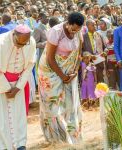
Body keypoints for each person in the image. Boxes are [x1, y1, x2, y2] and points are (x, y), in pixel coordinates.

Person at [0, 24, 36, 149]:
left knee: (18, 117)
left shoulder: (30, 42)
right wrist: (6, 89)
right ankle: (1, 146)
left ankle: (20, 145)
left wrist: (18, 87)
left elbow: (29, 65)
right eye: (19, 43)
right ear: (13, 35)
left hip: (17, 85)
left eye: (25, 44)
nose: (21, 46)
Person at [38, 12, 84, 144]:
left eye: (77, 29)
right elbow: (50, 58)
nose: (74, 31)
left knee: (70, 104)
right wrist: (63, 76)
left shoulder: (79, 32)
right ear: (67, 22)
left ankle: (71, 134)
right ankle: (56, 138)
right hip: (50, 71)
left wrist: (75, 71)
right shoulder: (56, 31)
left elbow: (78, 54)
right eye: (72, 28)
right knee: (53, 104)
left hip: (69, 70)